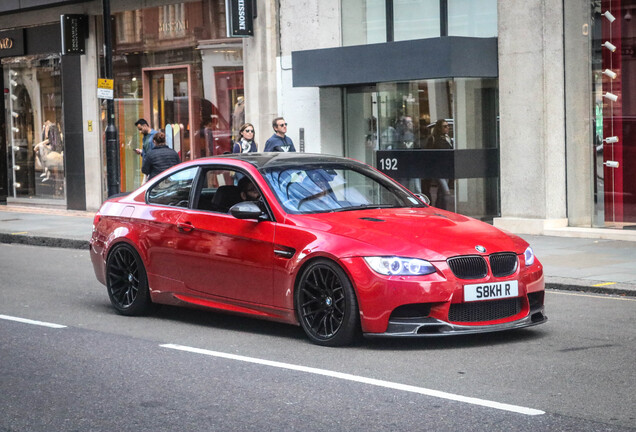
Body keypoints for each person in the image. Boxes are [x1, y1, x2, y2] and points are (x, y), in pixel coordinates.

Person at [426, 119, 453, 209]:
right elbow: (429, 154)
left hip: (446, 168)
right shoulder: (433, 139)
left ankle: (439, 209)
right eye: (444, 126)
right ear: (439, 128)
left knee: (441, 192)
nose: (447, 128)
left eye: (447, 126)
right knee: (446, 191)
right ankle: (442, 209)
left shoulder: (447, 138)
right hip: (438, 169)